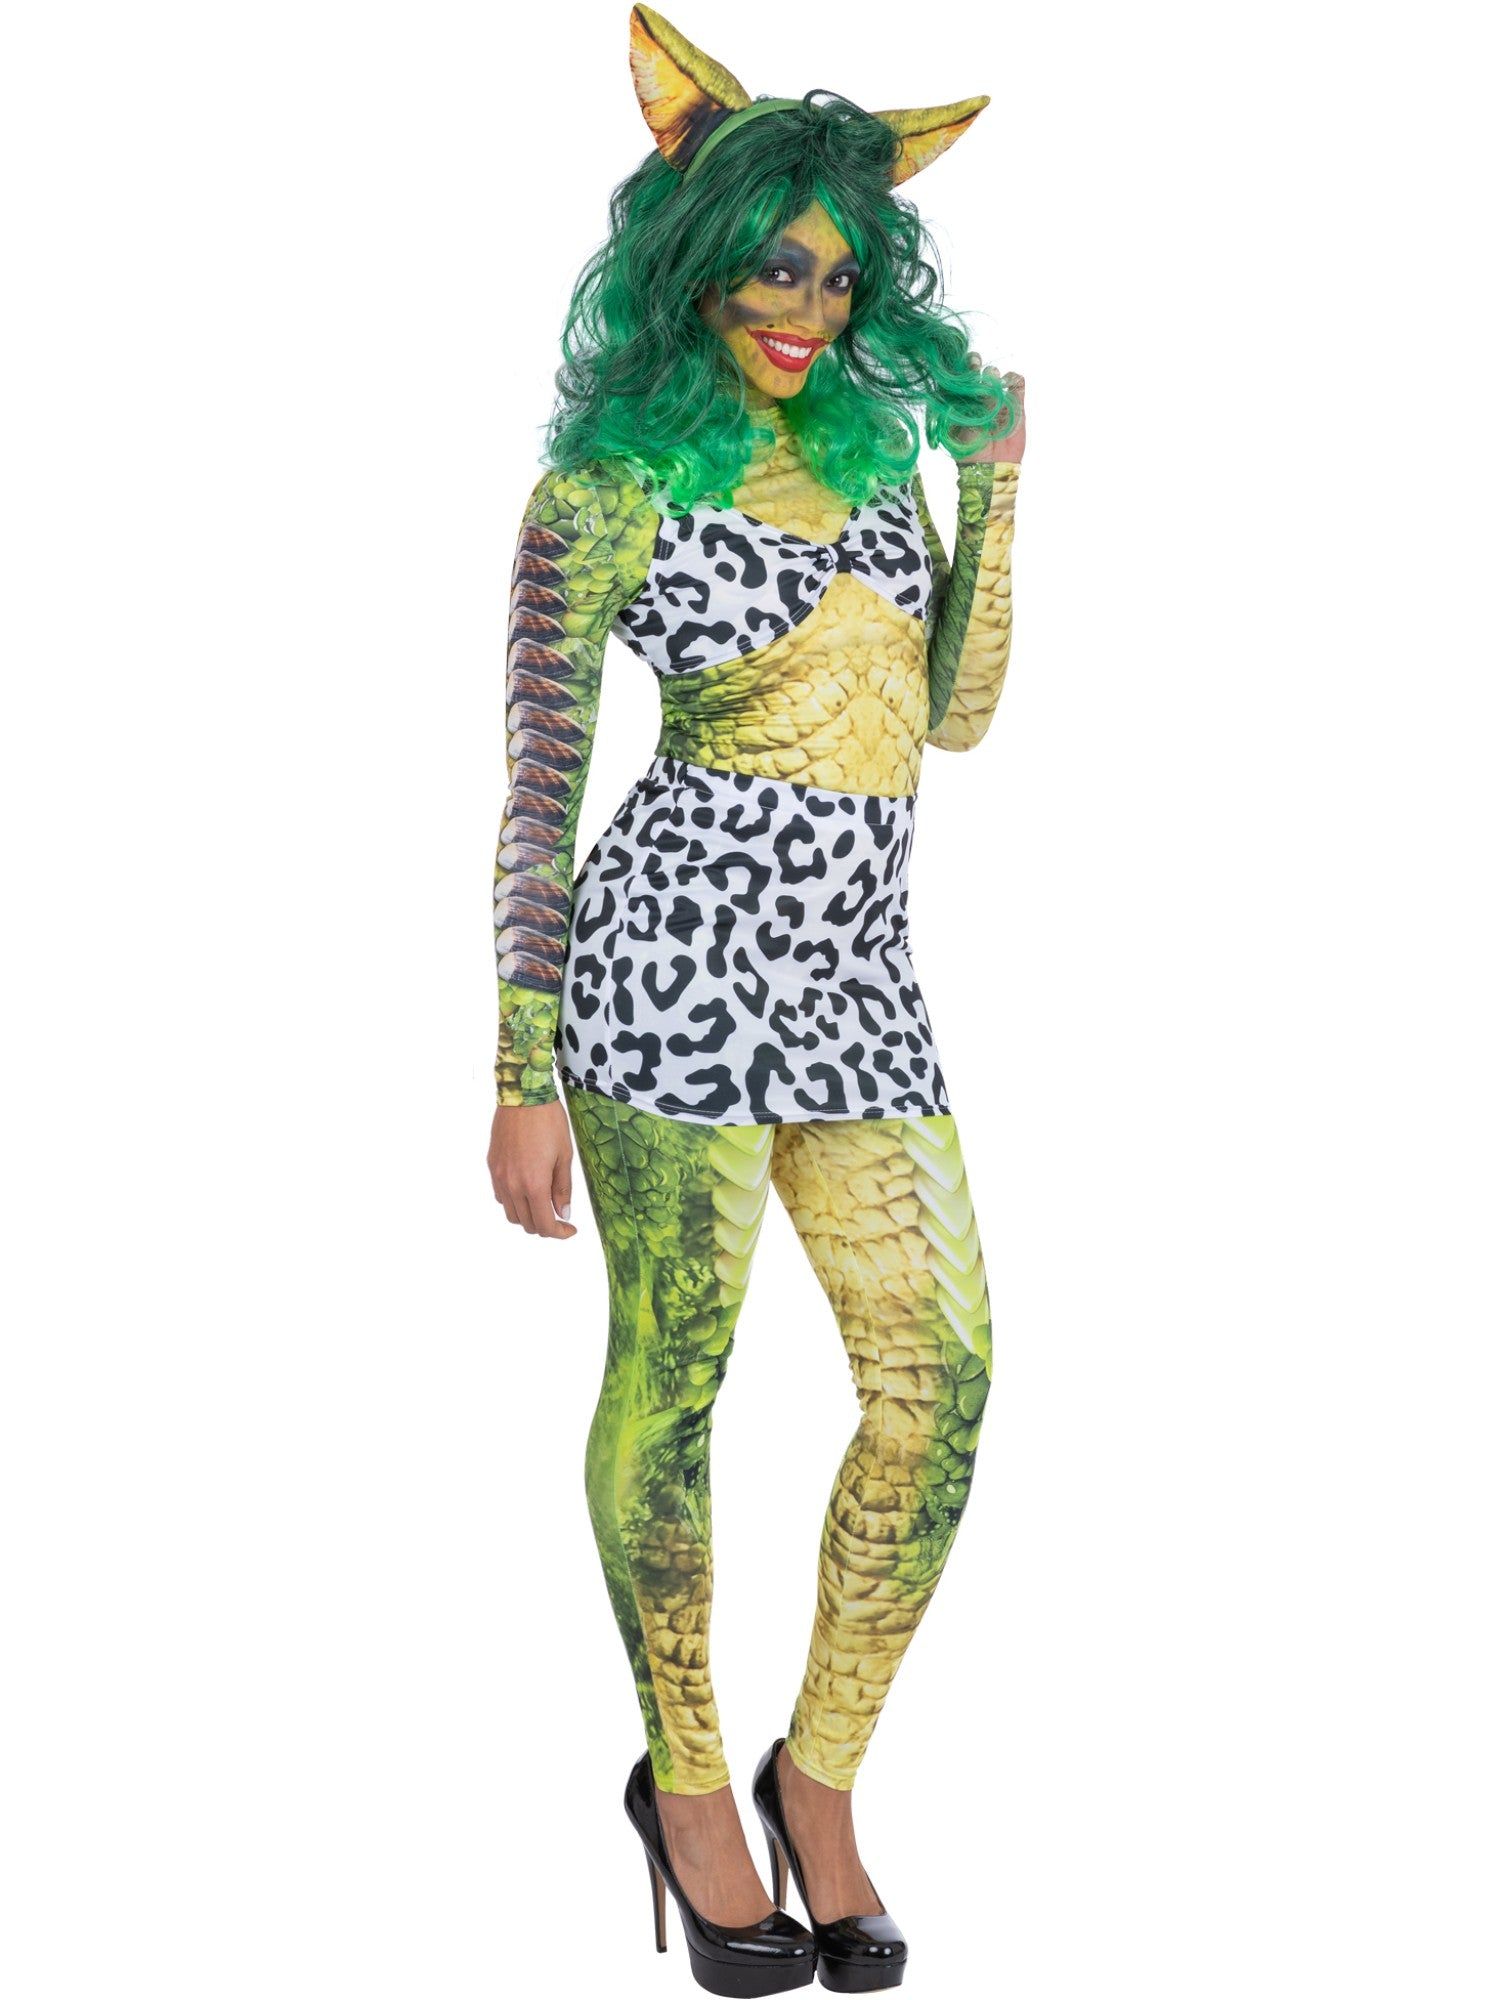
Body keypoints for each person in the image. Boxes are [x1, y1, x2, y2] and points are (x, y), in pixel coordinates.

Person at [487, 9, 1025, 1991]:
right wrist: (520, 1064)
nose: (807, 307)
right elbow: (541, 785)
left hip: (863, 978)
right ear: (693, 257)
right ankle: (694, 1790)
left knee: (940, 1382)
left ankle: (825, 1774)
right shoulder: (606, 480)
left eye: (839, 275)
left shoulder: (876, 455)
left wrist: (999, 489)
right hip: (670, 977)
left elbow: (955, 719)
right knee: (677, 1377)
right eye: (773, 266)